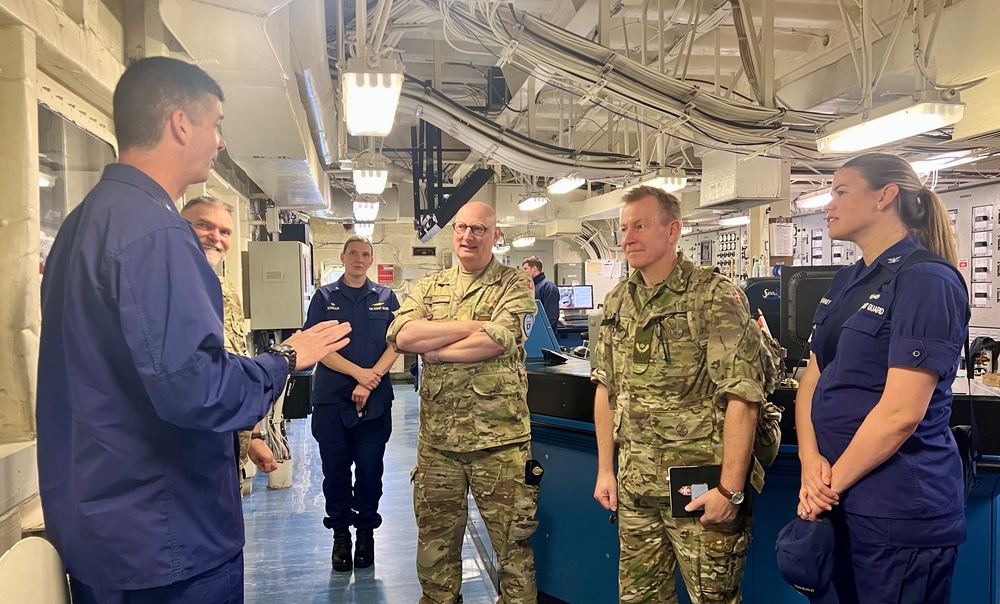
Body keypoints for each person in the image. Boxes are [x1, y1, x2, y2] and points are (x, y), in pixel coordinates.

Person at [36, 56, 351, 603]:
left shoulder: (83, 223)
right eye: (216, 124)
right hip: (166, 540)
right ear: (181, 123)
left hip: (105, 532)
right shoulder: (156, 234)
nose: (221, 142)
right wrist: (286, 359)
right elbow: (198, 390)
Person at [795, 152, 969, 603]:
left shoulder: (927, 280)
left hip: (898, 511)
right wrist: (810, 461)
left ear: (885, 196)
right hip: (839, 501)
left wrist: (825, 487)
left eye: (841, 192)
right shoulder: (849, 280)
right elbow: (812, 378)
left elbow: (899, 415)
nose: (827, 205)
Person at [591, 185, 765, 603]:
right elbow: (605, 387)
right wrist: (605, 469)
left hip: (698, 490)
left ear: (673, 231)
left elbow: (743, 395)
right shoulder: (618, 301)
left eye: (640, 226)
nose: (628, 237)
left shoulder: (713, 295)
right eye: (624, 228)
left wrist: (730, 490)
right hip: (636, 490)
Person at [387, 201, 539, 604]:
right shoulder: (430, 286)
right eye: (461, 228)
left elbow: (499, 339)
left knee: (513, 552)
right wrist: (471, 326)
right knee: (435, 552)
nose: (467, 236)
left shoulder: (515, 284)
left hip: (500, 444)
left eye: (478, 229)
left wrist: (435, 350)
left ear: (495, 235)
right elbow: (403, 336)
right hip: (438, 445)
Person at [303, 235, 400, 572]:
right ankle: (341, 535)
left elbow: (397, 342)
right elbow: (316, 347)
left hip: (375, 400)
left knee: (371, 471)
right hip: (332, 399)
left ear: (371, 261)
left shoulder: (386, 297)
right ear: (343, 257)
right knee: (336, 471)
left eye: (366, 255)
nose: (359, 259)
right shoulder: (324, 297)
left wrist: (371, 378)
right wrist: (360, 374)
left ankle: (366, 535)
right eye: (354, 254)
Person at [180, 195, 278, 486]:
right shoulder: (166, 285)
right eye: (203, 226)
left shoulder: (225, 291)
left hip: (228, 447)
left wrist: (254, 435)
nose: (216, 237)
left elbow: (234, 364)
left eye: (225, 232)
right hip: (188, 451)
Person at [521, 255, 559, 327]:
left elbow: (552, 317)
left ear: (534, 268)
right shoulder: (530, 287)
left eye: (525, 269)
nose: (523, 272)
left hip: (543, 334)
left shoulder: (549, 287)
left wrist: (545, 335)